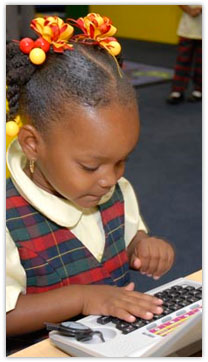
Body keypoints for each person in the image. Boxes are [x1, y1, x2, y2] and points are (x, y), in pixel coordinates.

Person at [6, 14, 175, 338]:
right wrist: (83, 297)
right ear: (32, 144)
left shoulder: (115, 190)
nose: (110, 179)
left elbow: (122, 241)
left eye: (122, 161)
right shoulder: (7, 217)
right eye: (90, 166)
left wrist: (143, 247)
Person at [167, 5, 202, 104]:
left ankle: (199, 90)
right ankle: (177, 90)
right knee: (182, 61)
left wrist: (201, 8)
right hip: (187, 30)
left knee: (202, 63)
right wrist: (190, 10)